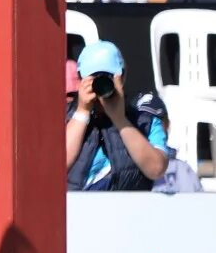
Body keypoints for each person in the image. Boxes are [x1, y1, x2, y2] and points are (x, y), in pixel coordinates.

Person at [67, 41, 172, 192]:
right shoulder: (62, 118)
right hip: (75, 213)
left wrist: (120, 120)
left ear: (122, 77)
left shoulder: (146, 122)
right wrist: (82, 112)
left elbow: (156, 169)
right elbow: (52, 169)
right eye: (93, 78)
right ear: (80, 78)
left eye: (108, 78)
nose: (100, 85)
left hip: (128, 212)